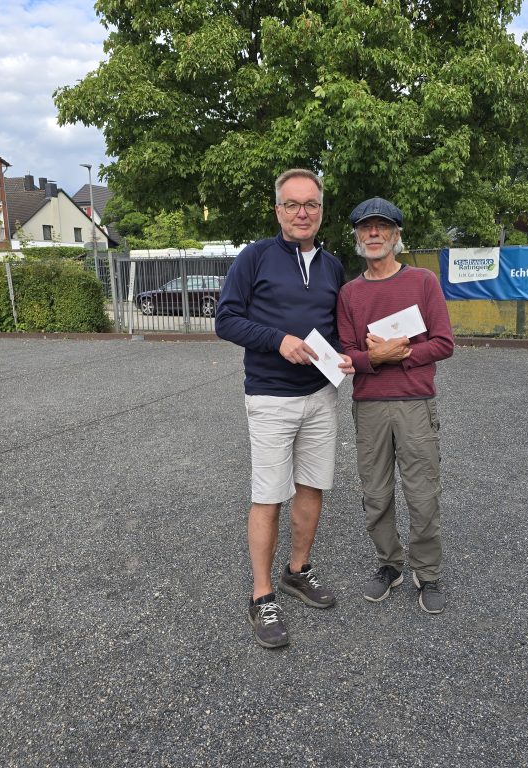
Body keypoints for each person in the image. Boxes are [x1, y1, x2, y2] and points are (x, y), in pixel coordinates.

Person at [215, 168, 353, 648]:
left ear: (321, 210)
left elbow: (336, 330)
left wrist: (347, 355)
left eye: (311, 204)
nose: (302, 212)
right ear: (278, 211)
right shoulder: (255, 258)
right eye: (292, 204)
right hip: (271, 396)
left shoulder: (334, 266)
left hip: (320, 396)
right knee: (268, 495)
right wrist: (278, 341)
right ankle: (261, 595)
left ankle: (298, 571)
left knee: (312, 487)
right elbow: (226, 320)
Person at [335, 197, 455, 614]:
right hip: (369, 406)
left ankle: (427, 571)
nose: (373, 234)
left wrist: (398, 354)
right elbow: (349, 355)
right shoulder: (350, 293)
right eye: (365, 227)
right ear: (356, 235)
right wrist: (376, 359)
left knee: (422, 493)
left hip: (415, 404)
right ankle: (390, 564)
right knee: (376, 493)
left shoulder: (422, 282)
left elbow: (444, 344)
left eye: (381, 227)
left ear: (396, 234)